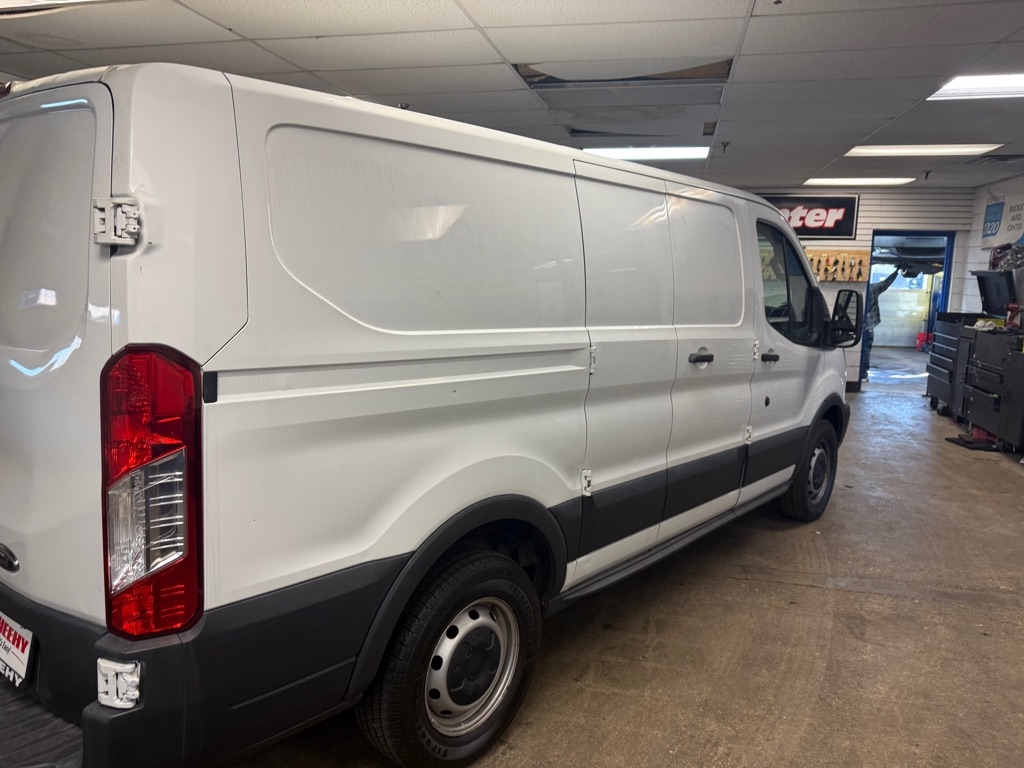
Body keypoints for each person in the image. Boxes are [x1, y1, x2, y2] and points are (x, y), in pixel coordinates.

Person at [860, 267, 901, 376]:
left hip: (856, 327)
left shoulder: (856, 290)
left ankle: (859, 373)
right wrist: (896, 271)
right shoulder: (873, 288)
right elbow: (886, 283)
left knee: (858, 350)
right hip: (868, 327)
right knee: (866, 350)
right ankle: (863, 373)